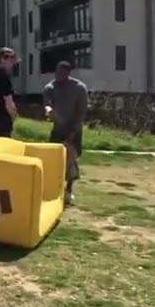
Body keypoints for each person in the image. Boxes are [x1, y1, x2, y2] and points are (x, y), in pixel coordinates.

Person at [43, 61, 89, 206]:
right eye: (57, 72)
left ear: (68, 73)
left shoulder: (79, 88)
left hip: (74, 128)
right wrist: (48, 110)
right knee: (54, 159)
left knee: (71, 160)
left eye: (62, 73)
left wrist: (73, 132)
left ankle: (69, 189)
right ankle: (54, 189)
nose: (59, 75)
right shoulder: (50, 87)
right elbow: (47, 103)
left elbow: (81, 112)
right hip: (58, 129)